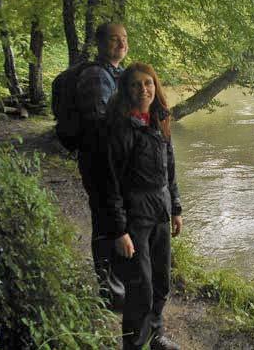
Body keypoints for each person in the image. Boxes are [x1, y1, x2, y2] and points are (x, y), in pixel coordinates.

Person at [104, 63, 183, 350]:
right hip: (134, 215)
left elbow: (170, 168)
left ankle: (156, 335)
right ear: (125, 89)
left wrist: (176, 208)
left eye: (148, 83)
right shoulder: (119, 127)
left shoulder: (160, 118)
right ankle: (134, 345)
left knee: (162, 281)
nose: (143, 90)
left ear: (155, 86)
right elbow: (109, 183)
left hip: (160, 209)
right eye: (136, 84)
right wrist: (119, 230)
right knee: (141, 288)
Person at [76, 22, 128, 309]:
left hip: (112, 162)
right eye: (113, 39)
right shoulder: (97, 77)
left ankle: (116, 286)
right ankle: (108, 292)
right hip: (99, 163)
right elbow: (101, 129)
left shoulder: (117, 73)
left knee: (115, 220)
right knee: (106, 222)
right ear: (99, 44)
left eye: (124, 39)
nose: (121, 44)